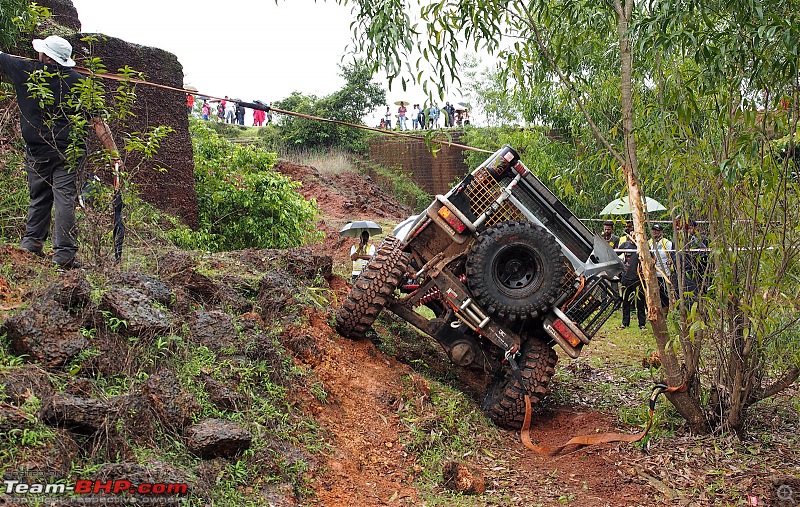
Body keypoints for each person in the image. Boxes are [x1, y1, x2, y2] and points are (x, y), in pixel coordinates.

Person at [0, 35, 121, 269]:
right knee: (64, 198)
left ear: (45, 56)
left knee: (40, 196)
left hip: (37, 150)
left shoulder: (25, 70)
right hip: (70, 152)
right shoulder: (80, 82)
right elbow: (98, 122)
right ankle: (63, 255)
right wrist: (114, 153)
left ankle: (32, 243)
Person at [617, 236, 647, 330]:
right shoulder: (626, 245)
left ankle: (642, 324)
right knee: (626, 301)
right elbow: (615, 253)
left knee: (640, 302)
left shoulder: (643, 246)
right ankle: (624, 323)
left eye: (636, 234)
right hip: (626, 278)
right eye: (632, 234)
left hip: (638, 279)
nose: (633, 236)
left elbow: (652, 258)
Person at [648, 223, 674, 308]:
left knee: (664, 296)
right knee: (653, 296)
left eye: (657, 230)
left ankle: (665, 316)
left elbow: (673, 256)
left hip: (664, 274)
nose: (655, 232)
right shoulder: (649, 242)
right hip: (652, 274)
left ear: (661, 232)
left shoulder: (666, 243)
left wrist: (671, 261)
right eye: (653, 230)